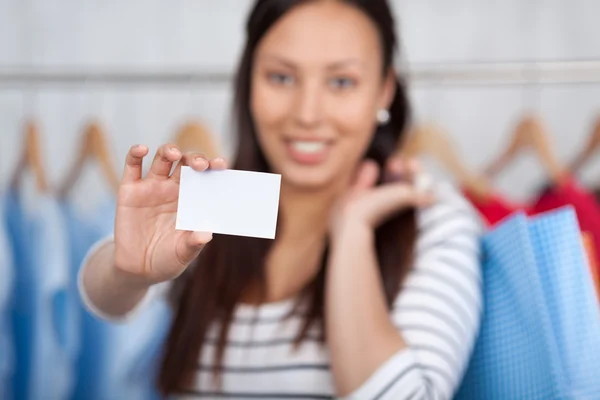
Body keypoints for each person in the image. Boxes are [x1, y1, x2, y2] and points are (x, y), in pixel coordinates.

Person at [79, 0, 483, 398]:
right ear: (249, 82)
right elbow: (107, 299)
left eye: (341, 82)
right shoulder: (221, 198)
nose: (307, 114)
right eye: (281, 78)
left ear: (384, 90)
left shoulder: (431, 219)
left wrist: (352, 233)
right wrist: (131, 272)